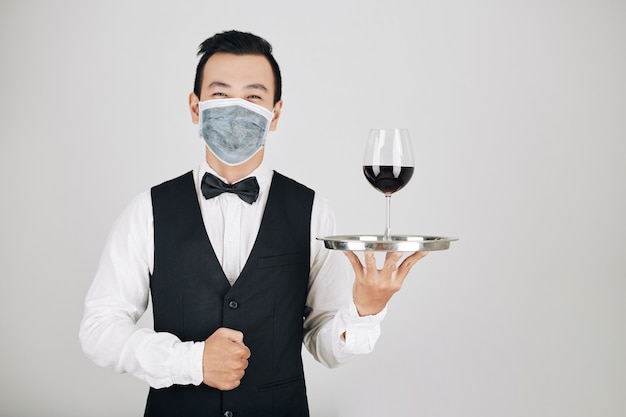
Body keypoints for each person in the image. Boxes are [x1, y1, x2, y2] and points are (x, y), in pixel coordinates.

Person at [79, 30, 427, 417]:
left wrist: (365, 311)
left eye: (253, 97)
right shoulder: (146, 210)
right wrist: (188, 361)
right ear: (196, 108)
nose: (236, 108)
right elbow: (99, 329)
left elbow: (326, 345)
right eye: (221, 94)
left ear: (275, 114)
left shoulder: (314, 211)